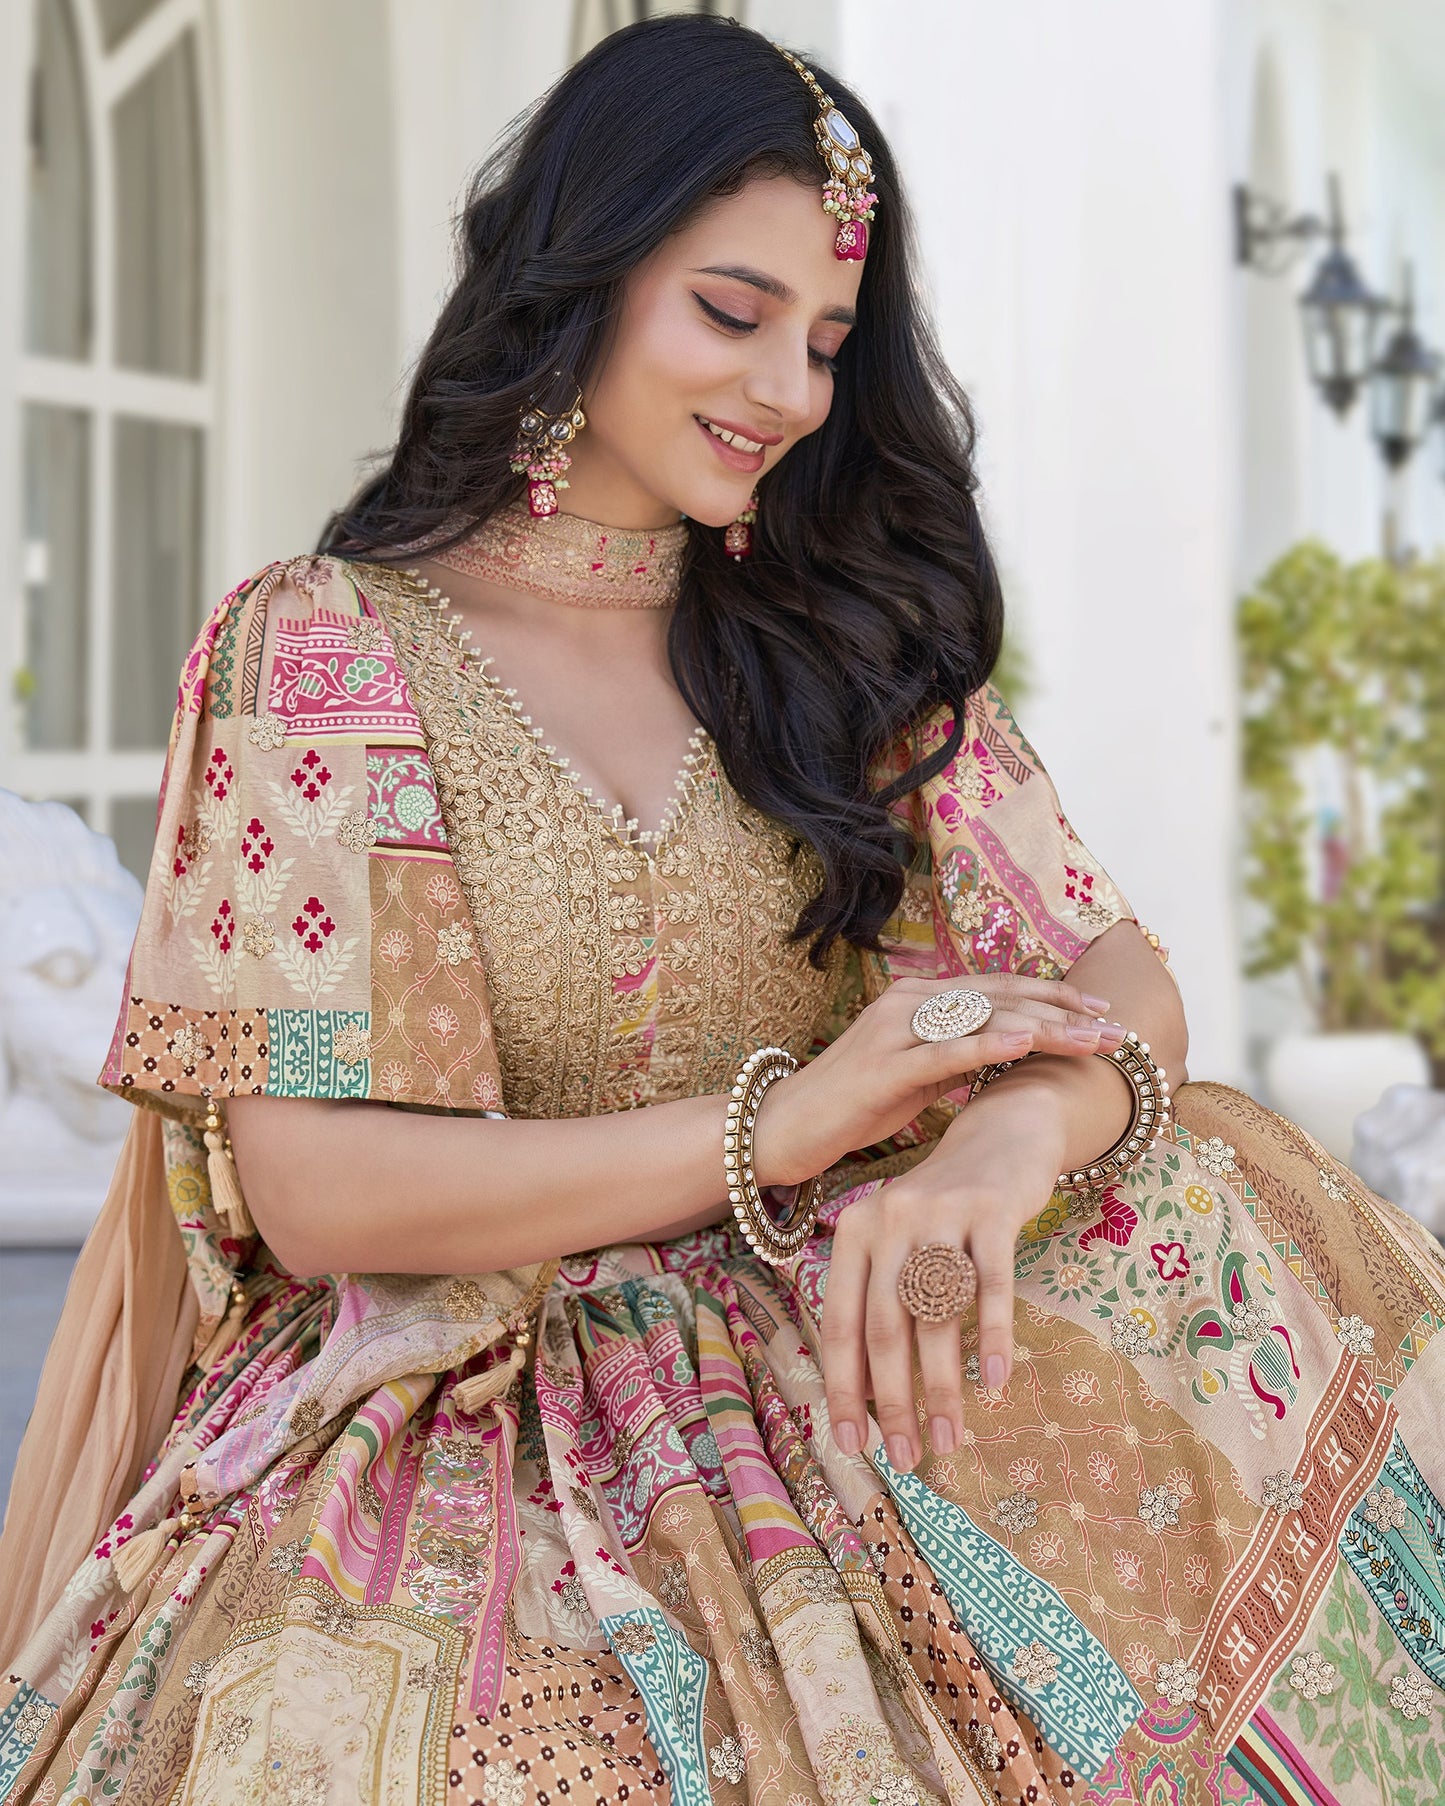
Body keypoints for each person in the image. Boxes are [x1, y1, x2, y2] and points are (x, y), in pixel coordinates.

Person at [3, 17, 1443, 1804]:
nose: (787, 391)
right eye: (731, 312)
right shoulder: (327, 646)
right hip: (457, 1405)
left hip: (819, 1360)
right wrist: (797, 1117)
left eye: (828, 343)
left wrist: (989, 1156)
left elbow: (1112, 970)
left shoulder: (832, 641)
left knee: (1203, 1176)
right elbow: (319, 1190)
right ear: (583, 279)